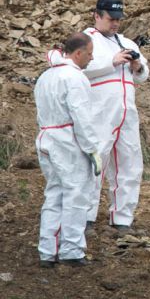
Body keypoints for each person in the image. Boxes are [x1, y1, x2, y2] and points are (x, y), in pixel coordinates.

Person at [35, 33, 102, 268]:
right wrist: (92, 150)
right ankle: (71, 250)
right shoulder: (75, 78)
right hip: (67, 140)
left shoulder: (45, 76)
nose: (92, 59)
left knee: (54, 193)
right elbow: (82, 117)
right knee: (75, 194)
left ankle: (47, 250)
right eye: (90, 53)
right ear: (78, 53)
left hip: (45, 136)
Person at [83, 0, 149, 232]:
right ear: (97, 15)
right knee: (95, 161)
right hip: (99, 111)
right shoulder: (86, 39)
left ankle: (122, 217)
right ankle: (85, 215)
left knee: (130, 162)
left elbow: (144, 74)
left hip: (127, 112)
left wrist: (137, 65)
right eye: (111, 19)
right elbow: (80, 67)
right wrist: (112, 62)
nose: (115, 24)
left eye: (118, 19)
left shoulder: (127, 42)